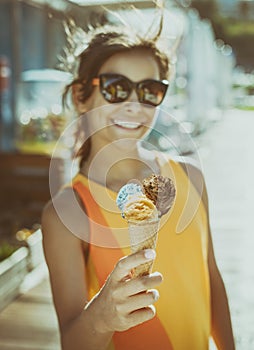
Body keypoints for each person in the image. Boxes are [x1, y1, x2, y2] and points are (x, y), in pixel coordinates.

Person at [41, 17, 235, 350]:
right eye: (116, 88)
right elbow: (72, 341)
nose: (134, 104)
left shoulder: (189, 175)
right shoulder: (66, 213)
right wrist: (103, 316)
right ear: (81, 96)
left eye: (150, 90)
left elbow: (211, 278)